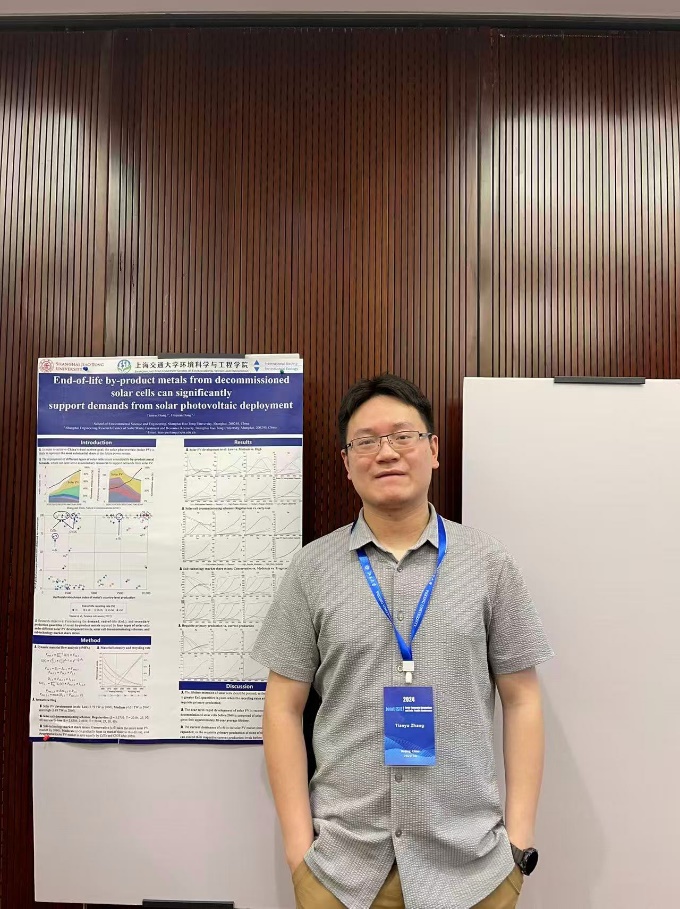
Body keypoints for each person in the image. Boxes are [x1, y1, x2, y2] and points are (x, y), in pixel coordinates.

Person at [251, 374, 553, 909]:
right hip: (342, 873)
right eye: (366, 441)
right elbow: (282, 706)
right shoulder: (310, 569)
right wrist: (299, 854)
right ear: (346, 463)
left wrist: (518, 844)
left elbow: (522, 698)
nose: (386, 452)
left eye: (403, 436)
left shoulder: (489, 563)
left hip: (472, 871)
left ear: (433, 450)